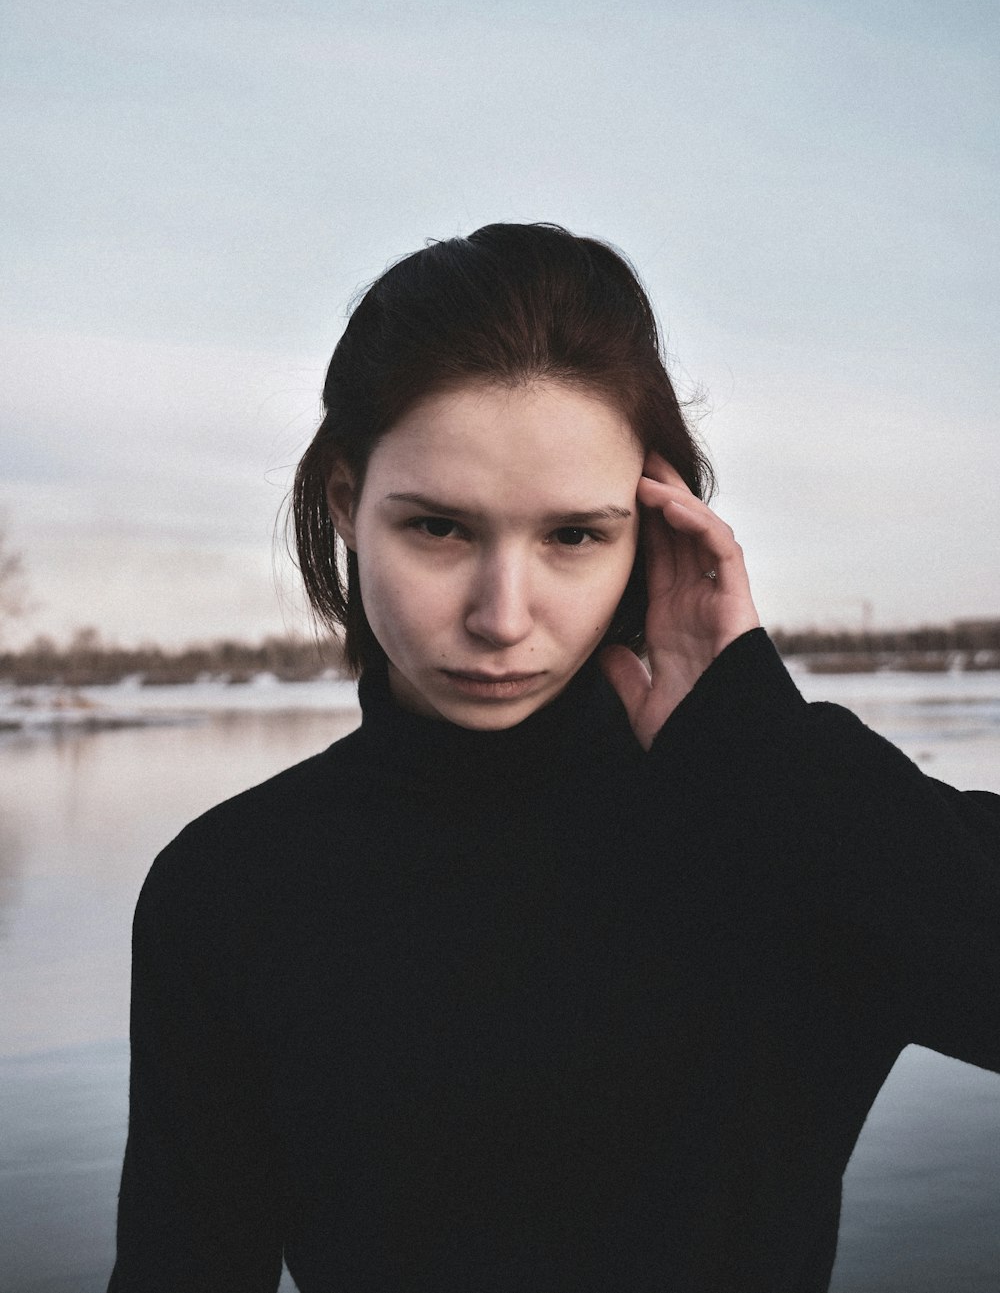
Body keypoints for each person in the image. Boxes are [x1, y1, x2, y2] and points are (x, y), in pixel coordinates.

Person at [108, 223, 1000, 1293]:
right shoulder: (231, 884)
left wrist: (759, 738)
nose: (501, 615)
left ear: (658, 532)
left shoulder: (796, 835)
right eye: (438, 527)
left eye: (574, 534)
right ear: (346, 504)